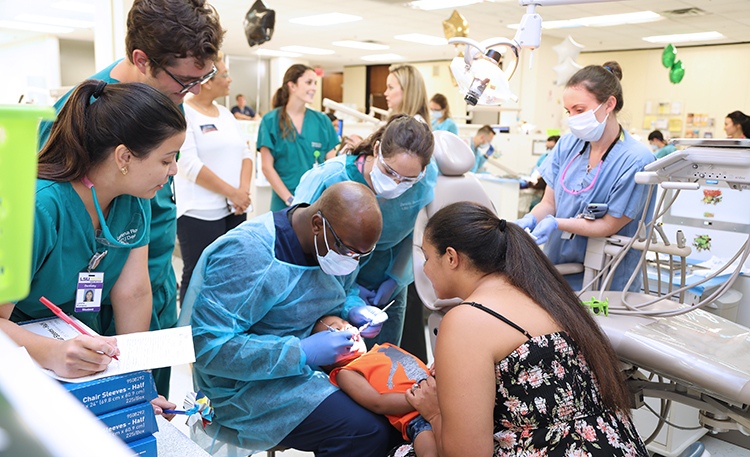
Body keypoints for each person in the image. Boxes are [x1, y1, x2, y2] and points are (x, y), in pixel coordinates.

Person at [37, 0, 224, 398]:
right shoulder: (73, 124)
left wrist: (136, 384)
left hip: (140, 294)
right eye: (186, 81)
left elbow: (134, 290)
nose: (193, 92)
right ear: (142, 60)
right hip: (62, 319)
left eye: (203, 78)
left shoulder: (136, 190)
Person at [391, 201, 649, 457]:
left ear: (451, 257)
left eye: (426, 258)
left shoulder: (466, 321)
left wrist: (435, 414)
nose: (424, 270)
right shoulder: (550, 297)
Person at [1, 81, 185, 419]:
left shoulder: (135, 200)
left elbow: (134, 292)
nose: (173, 171)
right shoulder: (39, 209)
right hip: (22, 361)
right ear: (124, 157)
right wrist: (54, 353)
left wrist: (136, 386)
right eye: (166, 159)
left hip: (79, 348)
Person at [186, 181, 402, 455]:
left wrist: (353, 308)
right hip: (241, 387)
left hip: (303, 367)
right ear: (316, 224)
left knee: (395, 413)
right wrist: (300, 352)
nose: (351, 262)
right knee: (366, 431)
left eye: (361, 255)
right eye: (348, 251)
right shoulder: (248, 254)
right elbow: (209, 348)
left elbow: (338, 292)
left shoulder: (335, 244)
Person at [294, 115, 438, 347]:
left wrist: (394, 280)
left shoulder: (423, 179)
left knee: (384, 360)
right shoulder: (330, 178)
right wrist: (349, 296)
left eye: (407, 180)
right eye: (390, 172)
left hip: (387, 279)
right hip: (327, 279)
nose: (396, 184)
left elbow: (414, 233)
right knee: (339, 358)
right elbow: (300, 244)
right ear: (377, 149)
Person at [515, 61, 655, 292]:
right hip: (558, 269)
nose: (572, 118)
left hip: (607, 279)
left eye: (579, 110)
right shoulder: (568, 144)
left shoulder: (637, 160)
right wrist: (530, 219)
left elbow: (608, 225)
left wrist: (556, 223)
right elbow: (549, 203)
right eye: (568, 111)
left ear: (609, 104)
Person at [175, 53, 253, 303]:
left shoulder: (225, 114)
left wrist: (242, 192)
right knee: (199, 275)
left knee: (231, 275)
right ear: (207, 81)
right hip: (200, 212)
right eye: (225, 74)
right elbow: (189, 164)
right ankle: (188, 332)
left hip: (235, 209)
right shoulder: (184, 112)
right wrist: (234, 193)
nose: (231, 79)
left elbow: (246, 153)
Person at [314, 315, 437, 457]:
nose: (347, 328)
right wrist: (420, 400)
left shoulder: (382, 349)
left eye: (347, 323)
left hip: (435, 395)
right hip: (416, 416)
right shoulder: (346, 372)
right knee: (429, 446)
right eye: (336, 330)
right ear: (325, 359)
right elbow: (378, 402)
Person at [258, 64, 340, 211]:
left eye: (315, 83)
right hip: (283, 204)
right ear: (292, 86)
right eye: (309, 82)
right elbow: (267, 167)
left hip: (315, 202)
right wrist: (291, 200)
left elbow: (332, 165)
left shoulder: (322, 121)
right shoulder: (270, 121)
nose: (314, 88)